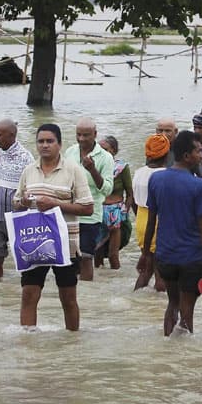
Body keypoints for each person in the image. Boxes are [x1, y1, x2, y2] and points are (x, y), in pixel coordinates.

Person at [140, 131, 202, 336]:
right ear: (187, 156)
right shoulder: (198, 185)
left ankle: (168, 344)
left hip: (165, 256)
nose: (201, 155)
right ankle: (184, 358)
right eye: (197, 151)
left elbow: (152, 220)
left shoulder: (156, 179)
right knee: (188, 311)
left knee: (172, 304)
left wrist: (146, 253)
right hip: (191, 257)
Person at [13, 124, 94, 330]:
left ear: (60, 144)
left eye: (50, 141)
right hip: (33, 243)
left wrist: (56, 204)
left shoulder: (74, 170)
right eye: (41, 141)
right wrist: (22, 201)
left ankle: (73, 341)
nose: (45, 145)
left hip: (65, 245)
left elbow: (88, 208)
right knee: (29, 294)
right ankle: (28, 341)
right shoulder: (29, 170)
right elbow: (16, 203)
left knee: (67, 298)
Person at [0, 119, 33, 281]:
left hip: (18, 217)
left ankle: (26, 286)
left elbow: (30, 187)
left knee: (25, 258)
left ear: (11, 135)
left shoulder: (26, 158)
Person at [64, 118, 114, 281]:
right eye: (78, 135)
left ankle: (87, 295)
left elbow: (107, 189)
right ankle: (72, 291)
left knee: (86, 257)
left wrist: (92, 170)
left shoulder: (105, 157)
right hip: (69, 213)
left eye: (86, 135)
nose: (82, 139)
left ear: (95, 134)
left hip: (90, 216)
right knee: (69, 259)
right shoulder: (70, 152)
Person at [133, 134, 170, 290]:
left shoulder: (139, 172)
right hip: (158, 222)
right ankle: (158, 308)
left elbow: (134, 203)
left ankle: (138, 300)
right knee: (161, 272)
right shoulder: (165, 176)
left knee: (147, 268)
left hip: (141, 220)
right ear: (167, 153)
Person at [97, 136, 133, 270]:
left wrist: (125, 211)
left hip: (115, 213)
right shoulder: (93, 167)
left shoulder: (122, 168)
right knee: (97, 254)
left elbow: (130, 193)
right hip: (98, 212)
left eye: (105, 149)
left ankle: (115, 282)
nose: (101, 153)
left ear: (114, 151)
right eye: (98, 149)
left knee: (113, 255)